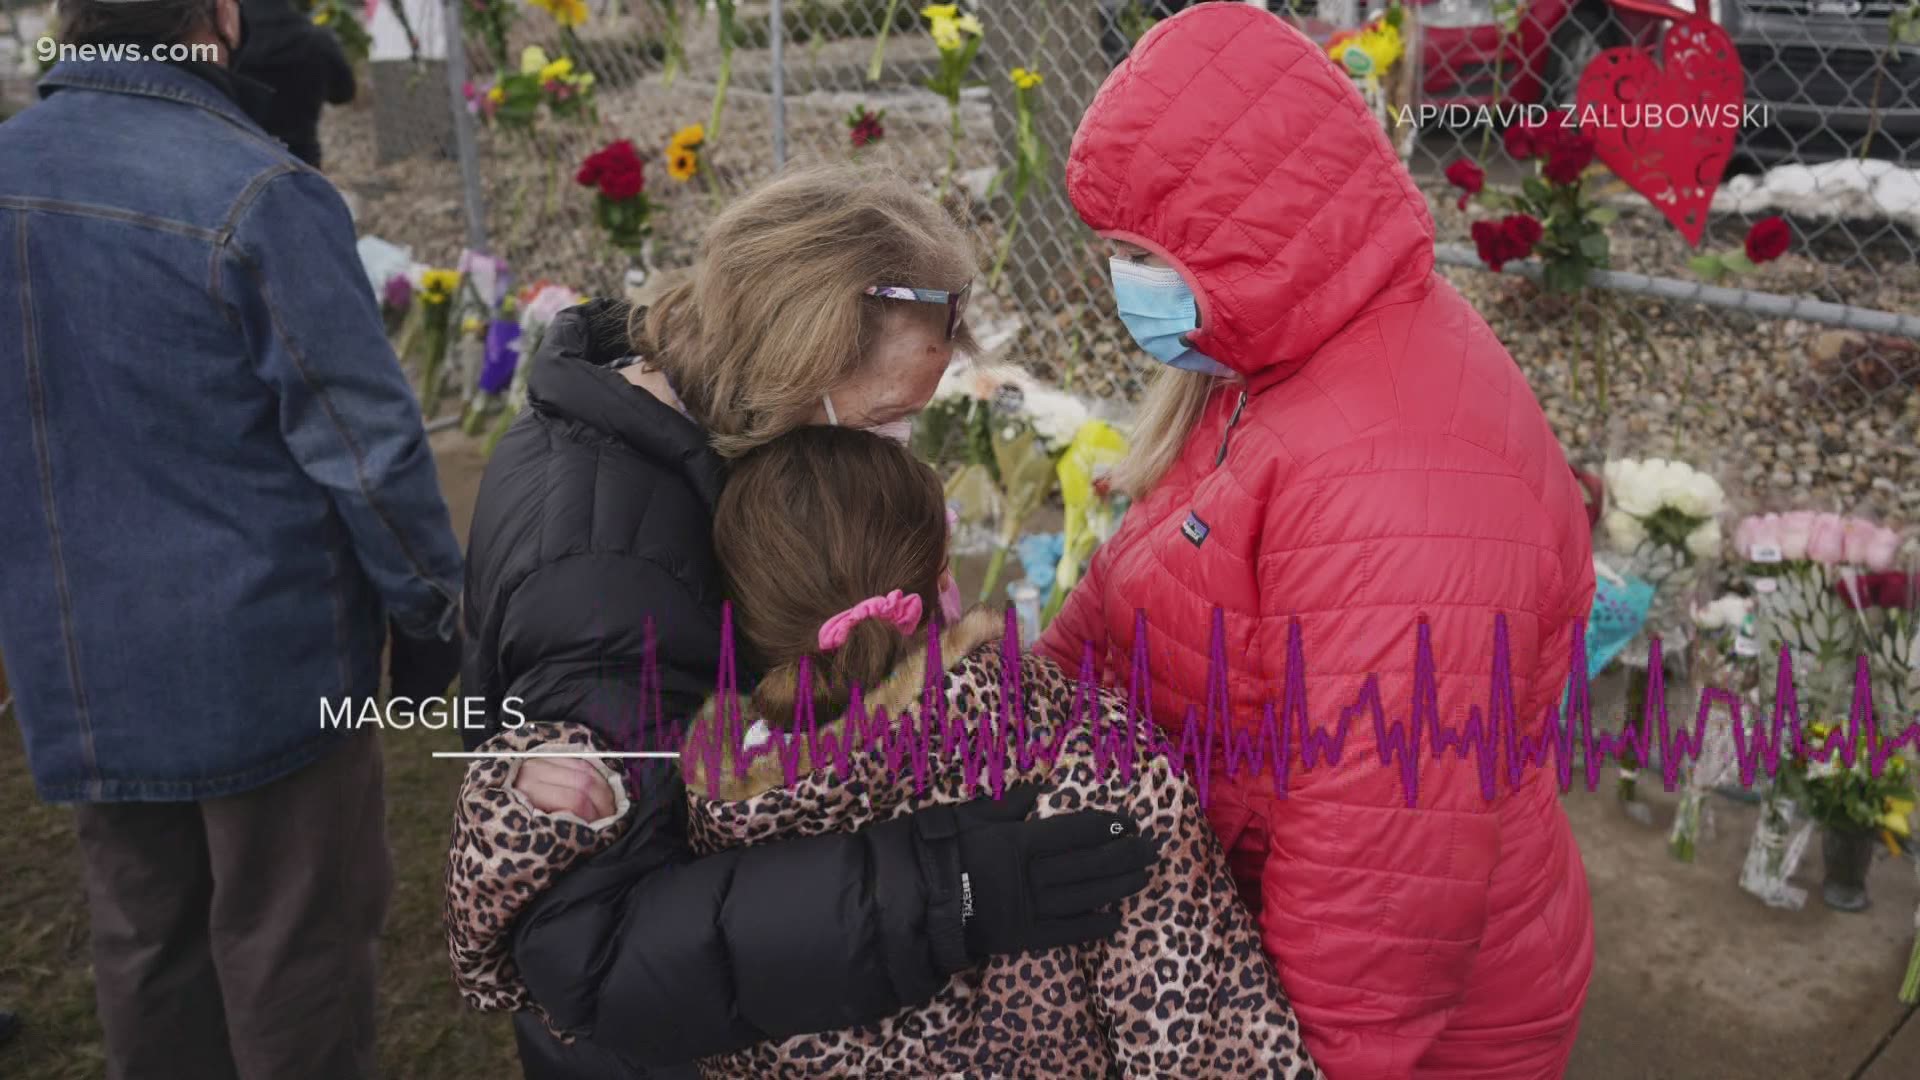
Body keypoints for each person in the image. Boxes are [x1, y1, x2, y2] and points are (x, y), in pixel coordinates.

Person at [453, 163, 1156, 1078]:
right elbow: (596, 947)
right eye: (883, 419)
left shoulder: (643, 432)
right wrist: (950, 888)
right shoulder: (613, 581)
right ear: (789, 369)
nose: (901, 452)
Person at [1037, 6, 1596, 1078]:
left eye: (1134, 253)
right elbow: (1130, 582)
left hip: (1395, 1030)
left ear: (1243, 229)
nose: (1123, 281)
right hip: (1244, 942)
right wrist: (1020, 715)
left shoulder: (1399, 479)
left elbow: (1382, 871)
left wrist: (1309, 1064)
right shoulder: (1280, 351)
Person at [451, 425, 1323, 1078]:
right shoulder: (1093, 754)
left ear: (744, 616)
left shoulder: (703, 808)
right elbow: (1198, 1024)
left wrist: (524, 784)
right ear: (943, 569)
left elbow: (516, 953)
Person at [0, 2, 464, 1078]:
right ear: (219, 18)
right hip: (269, 659)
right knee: (290, 945)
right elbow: (370, 446)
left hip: (79, 662)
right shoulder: (257, 191)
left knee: (143, 938)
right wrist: (433, 612)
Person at [234, 0, 356, 169]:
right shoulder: (317, 40)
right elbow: (344, 93)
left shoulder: (226, 43)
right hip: (300, 160)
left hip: (239, 161)